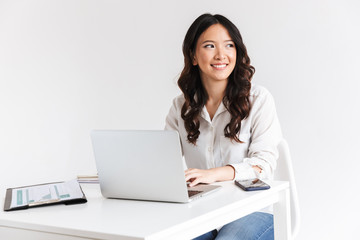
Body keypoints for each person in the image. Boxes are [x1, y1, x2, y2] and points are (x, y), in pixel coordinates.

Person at [165, 13, 282, 240]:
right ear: (194, 56)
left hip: (253, 211)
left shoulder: (259, 99)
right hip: (202, 211)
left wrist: (213, 175)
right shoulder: (181, 106)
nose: (221, 55)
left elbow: (264, 164)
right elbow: (163, 163)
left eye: (229, 45)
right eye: (210, 46)